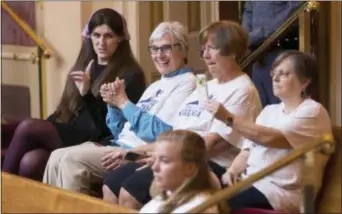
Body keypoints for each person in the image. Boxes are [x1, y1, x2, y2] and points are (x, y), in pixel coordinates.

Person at [102, 20, 262, 210]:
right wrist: (134, 152)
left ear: (233, 51)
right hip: (179, 156)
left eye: (213, 49)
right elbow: (176, 137)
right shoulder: (206, 85)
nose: (206, 56)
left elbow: (212, 145)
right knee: (112, 181)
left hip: (209, 165)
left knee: (130, 190)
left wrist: (164, 158)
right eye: (204, 49)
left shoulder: (242, 90)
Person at [43, 21, 197, 195]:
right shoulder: (156, 85)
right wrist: (114, 105)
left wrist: (124, 102)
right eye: (154, 49)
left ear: (183, 50)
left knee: (70, 160)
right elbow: (121, 131)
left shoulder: (188, 83)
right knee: (56, 156)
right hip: (117, 143)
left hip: (135, 152)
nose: (159, 55)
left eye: (166, 48)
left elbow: (161, 133)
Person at [2, 8, 146, 181]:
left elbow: (108, 126)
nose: (101, 42)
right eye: (96, 35)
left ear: (120, 39)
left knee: (28, 127)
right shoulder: (84, 64)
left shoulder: (131, 74)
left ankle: (3, 187)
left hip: (98, 138)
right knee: (31, 161)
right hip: (73, 130)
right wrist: (45, 126)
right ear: (89, 37)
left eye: (109, 36)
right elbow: (65, 109)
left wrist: (86, 93)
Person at [203, 50, 333, 213]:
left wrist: (227, 117)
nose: (275, 78)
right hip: (250, 182)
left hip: (279, 193)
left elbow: (267, 137)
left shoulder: (313, 111)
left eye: (283, 74)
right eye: (274, 72)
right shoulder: (270, 111)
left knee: (214, 205)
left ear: (305, 82)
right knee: (194, 164)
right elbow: (247, 151)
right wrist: (231, 171)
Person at [139, 130, 226, 213]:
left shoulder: (199, 207)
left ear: (190, 167)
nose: (154, 167)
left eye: (165, 161)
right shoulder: (155, 203)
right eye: (154, 160)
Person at [242, 1, 304, 107]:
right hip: (258, 57)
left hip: (283, 55)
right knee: (261, 111)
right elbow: (248, 11)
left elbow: (295, 8)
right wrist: (244, 37)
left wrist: (255, 36)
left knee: (283, 109)